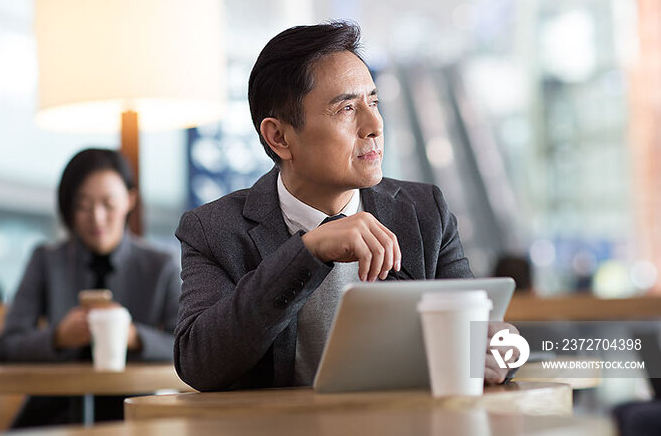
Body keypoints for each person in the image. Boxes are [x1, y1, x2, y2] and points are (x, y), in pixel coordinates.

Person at [174, 21, 519, 391]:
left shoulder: (423, 212)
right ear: (279, 137)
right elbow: (199, 363)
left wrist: (506, 353)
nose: (374, 125)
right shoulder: (213, 229)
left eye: (373, 102)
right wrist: (308, 252)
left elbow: (484, 332)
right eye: (346, 109)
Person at [0, 148, 181, 427]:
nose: (97, 218)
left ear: (130, 200)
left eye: (108, 204)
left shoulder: (160, 264)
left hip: (134, 408)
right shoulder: (45, 259)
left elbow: (188, 348)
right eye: (83, 205)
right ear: (68, 207)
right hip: (54, 408)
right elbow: (4, 346)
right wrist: (58, 337)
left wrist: (134, 337)